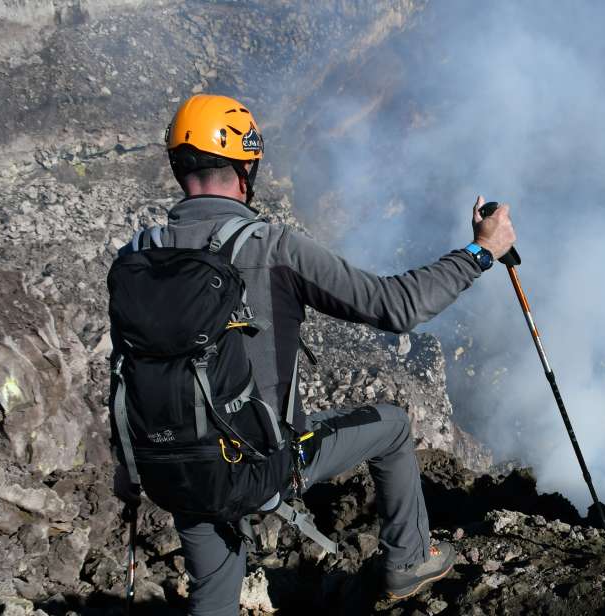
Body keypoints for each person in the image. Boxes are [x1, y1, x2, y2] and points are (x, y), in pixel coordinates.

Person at [111, 93, 516, 615]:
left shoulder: (137, 255)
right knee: (392, 425)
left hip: (169, 467)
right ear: (246, 167)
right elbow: (394, 306)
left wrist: (129, 465)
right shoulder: (272, 247)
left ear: (178, 166)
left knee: (212, 598)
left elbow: (124, 368)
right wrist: (480, 252)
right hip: (262, 465)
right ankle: (408, 560)